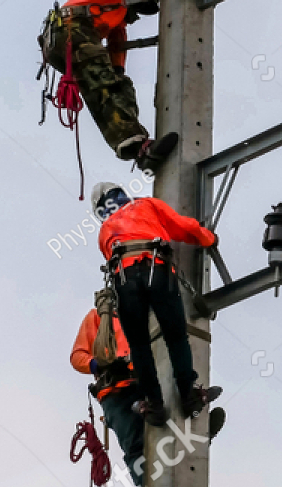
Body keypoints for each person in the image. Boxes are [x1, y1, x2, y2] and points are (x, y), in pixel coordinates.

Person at [43, 0, 181, 172]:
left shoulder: (117, 11)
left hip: (68, 38)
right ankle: (138, 146)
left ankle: (136, 148)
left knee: (110, 87)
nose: (135, 14)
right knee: (105, 86)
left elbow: (117, 40)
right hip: (71, 29)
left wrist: (118, 71)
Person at [70, 293, 224, 487]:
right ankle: (146, 485)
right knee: (134, 442)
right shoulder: (99, 317)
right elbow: (78, 357)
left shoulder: (151, 314)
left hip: (147, 380)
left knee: (170, 416)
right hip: (115, 391)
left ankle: (195, 434)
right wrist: (101, 365)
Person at [91, 181, 222, 428]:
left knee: (139, 346)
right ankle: (188, 395)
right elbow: (183, 226)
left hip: (124, 279)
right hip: (158, 270)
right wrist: (208, 238)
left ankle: (153, 404)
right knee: (176, 336)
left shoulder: (104, 232)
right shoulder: (147, 205)